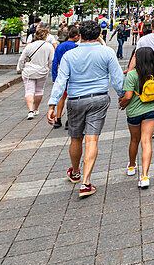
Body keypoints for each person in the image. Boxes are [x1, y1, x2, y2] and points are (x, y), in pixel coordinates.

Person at [46, 20, 125, 198]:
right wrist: (122, 96)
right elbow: (117, 78)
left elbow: (61, 81)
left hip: (75, 100)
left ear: (80, 35)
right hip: (99, 98)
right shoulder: (107, 52)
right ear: (99, 35)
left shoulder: (70, 55)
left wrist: (52, 103)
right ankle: (86, 182)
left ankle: (75, 172)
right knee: (92, 140)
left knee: (76, 138)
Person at [119, 45, 154, 188]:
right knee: (146, 141)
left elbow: (128, 96)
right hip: (151, 110)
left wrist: (123, 104)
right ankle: (145, 176)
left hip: (134, 112)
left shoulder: (132, 74)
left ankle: (132, 166)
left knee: (134, 140)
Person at [17, 27, 53, 119]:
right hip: (42, 71)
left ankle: (30, 111)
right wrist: (50, 69)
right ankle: (36, 108)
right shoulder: (49, 46)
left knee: (29, 90)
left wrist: (21, 68)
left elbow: (22, 59)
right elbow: (51, 61)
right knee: (39, 90)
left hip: (29, 71)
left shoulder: (29, 46)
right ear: (45, 36)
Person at [50, 25, 80, 128]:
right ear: (76, 37)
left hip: (61, 75)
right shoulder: (76, 47)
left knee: (61, 97)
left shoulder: (59, 46)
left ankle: (58, 119)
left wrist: (54, 77)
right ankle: (69, 120)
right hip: (73, 76)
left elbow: (54, 62)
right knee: (71, 97)